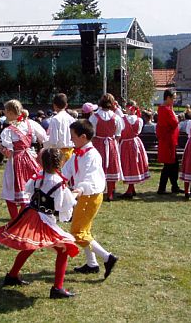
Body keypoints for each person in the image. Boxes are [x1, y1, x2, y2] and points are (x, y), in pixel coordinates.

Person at [0, 148, 79, 299]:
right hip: (43, 219)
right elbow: (63, 205)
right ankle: (57, 288)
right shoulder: (58, 182)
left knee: (30, 245)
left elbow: (28, 189)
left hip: (30, 214)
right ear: (60, 162)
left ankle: (12, 275)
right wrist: (75, 193)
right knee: (64, 248)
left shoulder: (39, 175)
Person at [62, 119, 118, 279]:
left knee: (77, 232)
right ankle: (92, 264)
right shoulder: (77, 153)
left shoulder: (92, 155)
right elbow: (66, 171)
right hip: (84, 195)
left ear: (83, 137)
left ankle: (108, 258)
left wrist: (79, 189)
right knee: (84, 230)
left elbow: (90, 178)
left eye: (73, 135)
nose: (71, 138)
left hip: (90, 196)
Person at [0, 99, 46, 219]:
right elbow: (44, 139)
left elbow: (8, 153)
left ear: (11, 112)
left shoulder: (8, 131)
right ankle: (25, 218)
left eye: (6, 112)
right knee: (30, 189)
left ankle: (17, 220)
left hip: (16, 162)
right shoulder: (31, 123)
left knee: (11, 193)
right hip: (30, 158)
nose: (5, 114)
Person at [89, 93, 123, 201]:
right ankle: (110, 193)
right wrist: (114, 143)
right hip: (111, 143)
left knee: (99, 167)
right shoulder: (116, 117)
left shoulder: (94, 117)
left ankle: (99, 191)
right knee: (110, 167)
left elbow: (92, 134)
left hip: (98, 144)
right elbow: (118, 134)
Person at [118, 101, 150, 199]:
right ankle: (131, 188)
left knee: (129, 165)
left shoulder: (123, 119)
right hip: (135, 143)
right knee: (133, 165)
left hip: (126, 144)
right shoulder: (139, 120)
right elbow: (138, 131)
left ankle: (130, 190)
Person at [156, 89, 183, 195]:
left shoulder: (164, 108)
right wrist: (178, 117)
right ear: (168, 98)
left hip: (169, 140)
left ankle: (174, 186)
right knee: (169, 164)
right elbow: (174, 122)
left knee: (173, 164)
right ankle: (162, 188)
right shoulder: (166, 109)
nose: (174, 100)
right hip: (168, 140)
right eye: (173, 98)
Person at [43, 93, 75, 163]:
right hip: (71, 151)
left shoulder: (55, 119)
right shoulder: (72, 119)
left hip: (59, 153)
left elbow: (54, 140)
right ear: (66, 105)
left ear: (54, 106)